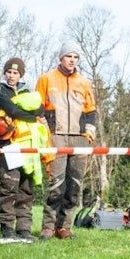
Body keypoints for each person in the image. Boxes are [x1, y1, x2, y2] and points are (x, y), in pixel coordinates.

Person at [35, 42, 97, 239]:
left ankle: (64, 227)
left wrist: (88, 133)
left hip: (79, 140)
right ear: (61, 58)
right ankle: (48, 227)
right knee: (56, 184)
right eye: (68, 56)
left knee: (75, 185)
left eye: (75, 57)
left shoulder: (84, 82)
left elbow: (91, 111)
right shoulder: (46, 78)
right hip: (56, 138)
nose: (72, 60)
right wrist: (46, 131)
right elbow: (37, 107)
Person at [0, 57, 48, 241]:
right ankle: (7, 226)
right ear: (5, 73)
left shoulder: (27, 91)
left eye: (15, 73)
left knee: (26, 188)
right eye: (9, 72)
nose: (11, 76)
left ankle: (24, 228)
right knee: (9, 186)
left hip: (28, 145)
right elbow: (11, 110)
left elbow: (40, 109)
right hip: (10, 145)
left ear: (21, 74)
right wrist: (30, 115)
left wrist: (31, 113)